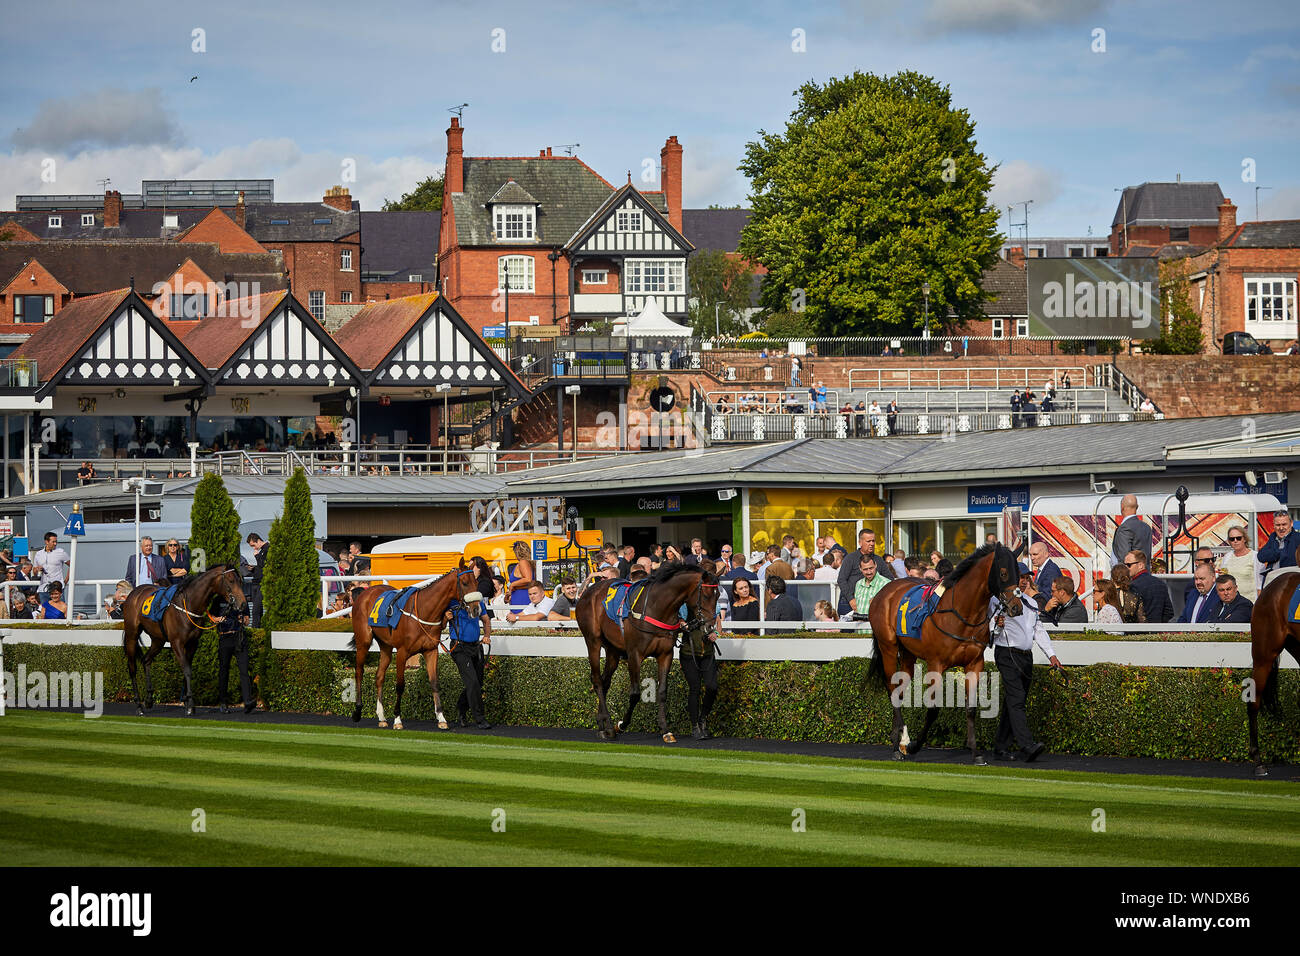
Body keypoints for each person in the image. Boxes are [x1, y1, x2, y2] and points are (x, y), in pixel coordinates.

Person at [991, 562, 1062, 762]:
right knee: (1017, 699)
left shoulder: (1030, 603)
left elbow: (1038, 629)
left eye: (1026, 578)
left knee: (1014, 701)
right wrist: (996, 626)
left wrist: (1051, 655)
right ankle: (1027, 745)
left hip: (1025, 656)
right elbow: (990, 631)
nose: (1024, 581)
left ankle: (1000, 746)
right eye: (1020, 577)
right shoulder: (997, 601)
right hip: (1007, 654)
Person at [444, 591, 492, 728]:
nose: (475, 605)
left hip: (475, 646)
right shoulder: (452, 603)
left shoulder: (479, 602)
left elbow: (486, 620)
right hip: (459, 648)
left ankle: (461, 707)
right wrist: (445, 618)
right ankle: (480, 719)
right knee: (472, 682)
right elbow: (441, 625)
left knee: (478, 682)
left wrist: (487, 635)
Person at [836, 528, 895, 616]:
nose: (871, 544)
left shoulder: (878, 560)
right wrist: (851, 599)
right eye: (868, 541)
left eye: (873, 541)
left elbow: (890, 580)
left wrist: (878, 597)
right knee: (848, 629)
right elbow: (841, 580)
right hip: (848, 603)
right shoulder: (850, 558)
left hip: (871, 603)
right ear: (860, 542)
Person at [212, 596, 256, 714]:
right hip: (225, 637)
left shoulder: (241, 600)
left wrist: (242, 620)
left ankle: (247, 701)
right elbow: (211, 615)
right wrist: (217, 619)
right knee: (224, 670)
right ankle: (223, 702)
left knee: (244, 670)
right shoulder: (218, 600)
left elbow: (247, 620)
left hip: (239, 637)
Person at [1258, 509, 1300, 587]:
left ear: (1291, 524)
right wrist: (1278, 553)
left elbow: (1290, 558)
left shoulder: (1297, 538)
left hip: (1290, 583)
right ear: (1273, 525)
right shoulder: (1273, 537)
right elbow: (1261, 556)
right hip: (1272, 582)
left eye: (1284, 524)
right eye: (1278, 525)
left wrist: (1274, 553)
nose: (1281, 528)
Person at [1220, 525, 1260, 603]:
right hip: (1231, 603)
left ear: (1244, 539)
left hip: (1250, 602)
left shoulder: (1255, 556)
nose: (1235, 541)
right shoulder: (1227, 557)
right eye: (1232, 539)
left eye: (1238, 538)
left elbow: (1260, 584)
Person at [1111, 494, 1152, 567]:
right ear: (1137, 507)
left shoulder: (1125, 528)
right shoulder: (1146, 527)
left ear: (1122, 507)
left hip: (1131, 576)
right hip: (1145, 573)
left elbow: (1124, 559)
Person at [31, 532, 70, 600]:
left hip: (57, 589)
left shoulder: (61, 552)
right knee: (44, 610)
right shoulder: (38, 554)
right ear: (46, 542)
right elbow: (34, 572)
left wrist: (66, 580)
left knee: (59, 610)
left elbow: (71, 565)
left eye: (56, 542)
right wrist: (37, 569)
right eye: (53, 542)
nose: (55, 544)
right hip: (43, 589)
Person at [246, 532, 269, 627]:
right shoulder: (261, 551)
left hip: (262, 584)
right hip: (255, 583)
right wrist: (253, 569)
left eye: (253, 545)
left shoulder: (268, 549)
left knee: (255, 610)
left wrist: (257, 556)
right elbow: (260, 567)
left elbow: (265, 565)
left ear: (258, 541)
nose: (254, 548)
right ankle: (259, 630)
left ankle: (256, 630)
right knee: (257, 611)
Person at [507, 540, 537, 607]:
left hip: (522, 598)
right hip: (519, 595)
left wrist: (513, 584)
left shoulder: (523, 562)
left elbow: (528, 579)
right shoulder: (530, 563)